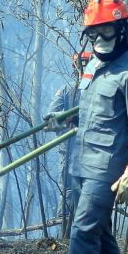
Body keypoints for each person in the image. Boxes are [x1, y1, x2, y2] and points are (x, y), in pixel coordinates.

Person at [56, 0, 128, 254]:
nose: (99, 37)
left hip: (107, 167)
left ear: (121, 29)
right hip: (81, 163)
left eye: (106, 30)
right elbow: (88, 112)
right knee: (99, 231)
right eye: (93, 32)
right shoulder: (92, 67)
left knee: (84, 230)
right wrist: (64, 116)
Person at [46, 51, 93, 236]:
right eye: (80, 64)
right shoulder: (66, 90)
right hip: (69, 149)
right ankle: (65, 233)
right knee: (66, 190)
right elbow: (52, 117)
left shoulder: (98, 88)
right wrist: (68, 120)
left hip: (92, 149)